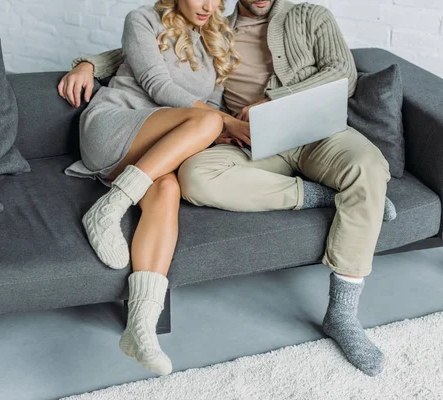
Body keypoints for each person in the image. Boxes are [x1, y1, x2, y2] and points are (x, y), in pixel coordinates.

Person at [177, 0, 396, 376]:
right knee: (195, 176)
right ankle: (328, 196)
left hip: (318, 133)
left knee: (368, 166)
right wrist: (88, 65)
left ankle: (341, 315)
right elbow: (149, 43)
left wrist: (274, 100)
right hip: (255, 143)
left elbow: (344, 73)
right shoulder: (211, 28)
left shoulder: (311, 16)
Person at [57, 0, 240, 375]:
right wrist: (222, 124)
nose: (209, 5)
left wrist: (226, 133)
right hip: (112, 126)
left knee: (168, 190)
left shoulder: (217, 38)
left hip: (153, 149)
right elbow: (158, 86)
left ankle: (140, 329)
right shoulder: (141, 19)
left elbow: (210, 104)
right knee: (210, 123)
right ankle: (109, 207)